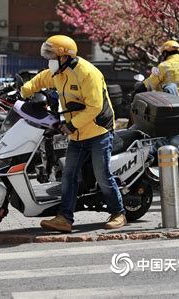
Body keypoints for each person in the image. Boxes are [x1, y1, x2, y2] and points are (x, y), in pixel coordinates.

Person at [20, 35, 126, 232]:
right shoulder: (58, 72)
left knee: (102, 174)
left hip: (98, 131)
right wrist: (25, 90)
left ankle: (118, 213)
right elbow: (41, 79)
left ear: (65, 56)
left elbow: (94, 107)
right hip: (77, 134)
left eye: (52, 56)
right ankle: (64, 218)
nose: (48, 60)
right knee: (68, 176)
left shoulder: (87, 73)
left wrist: (71, 126)